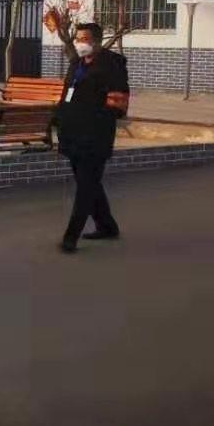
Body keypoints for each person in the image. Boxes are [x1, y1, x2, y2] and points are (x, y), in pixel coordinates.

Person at [54, 22, 130, 253]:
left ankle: (71, 236)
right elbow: (67, 94)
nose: (80, 43)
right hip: (72, 133)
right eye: (77, 39)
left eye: (84, 39)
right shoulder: (76, 64)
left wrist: (93, 116)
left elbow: (118, 103)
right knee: (89, 183)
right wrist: (58, 119)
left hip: (95, 135)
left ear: (96, 41)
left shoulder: (112, 65)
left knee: (86, 186)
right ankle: (107, 226)